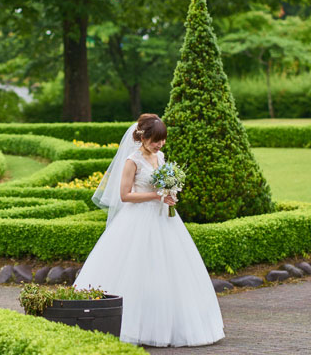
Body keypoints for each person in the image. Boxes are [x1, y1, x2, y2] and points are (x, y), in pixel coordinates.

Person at [74, 113, 225, 347]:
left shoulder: (160, 156)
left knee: (170, 270)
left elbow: (163, 185)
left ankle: (171, 324)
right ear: (143, 137)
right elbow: (125, 195)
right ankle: (132, 325)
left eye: (162, 140)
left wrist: (170, 194)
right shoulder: (132, 161)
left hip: (165, 220)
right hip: (138, 219)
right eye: (156, 140)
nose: (160, 144)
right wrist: (156, 195)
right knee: (136, 269)